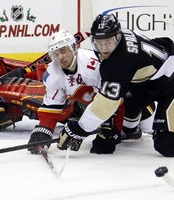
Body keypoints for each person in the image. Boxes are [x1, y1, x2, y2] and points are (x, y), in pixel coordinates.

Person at [57, 13, 174, 157]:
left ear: (117, 38)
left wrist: (79, 129)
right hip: (146, 81)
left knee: (168, 145)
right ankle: (132, 127)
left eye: (108, 42)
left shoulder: (120, 61)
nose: (104, 49)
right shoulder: (118, 40)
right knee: (127, 126)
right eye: (100, 43)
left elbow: (106, 104)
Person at [27, 29, 155, 154]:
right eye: (55, 54)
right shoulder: (53, 74)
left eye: (63, 51)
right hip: (100, 106)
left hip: (130, 99)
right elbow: (52, 105)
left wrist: (113, 128)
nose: (60, 57)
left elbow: (114, 98)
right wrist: (44, 129)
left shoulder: (94, 65)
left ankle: (131, 128)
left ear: (73, 48)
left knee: (137, 129)